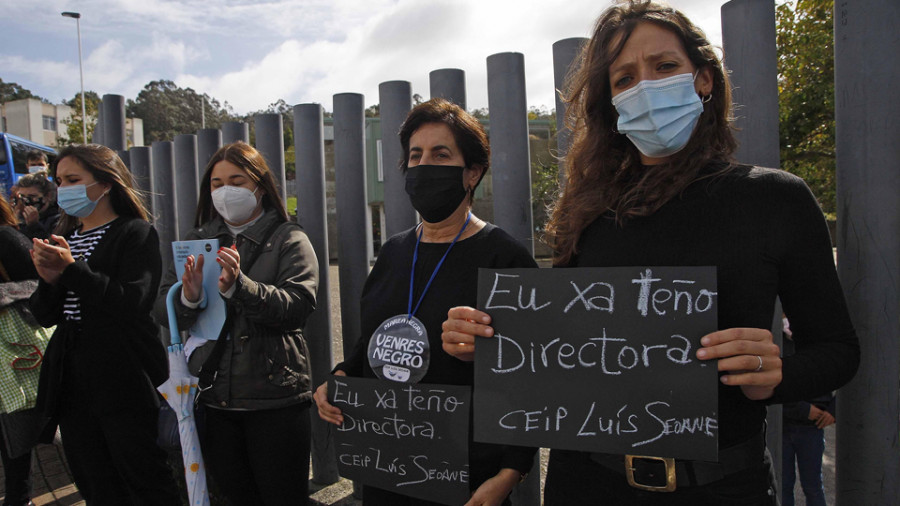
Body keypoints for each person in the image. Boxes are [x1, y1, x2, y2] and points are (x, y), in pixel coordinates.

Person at [441, 2, 859, 504]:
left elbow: (838, 350)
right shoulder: (584, 211)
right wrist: (484, 342)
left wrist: (778, 375)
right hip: (586, 485)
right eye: (624, 79)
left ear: (703, 79)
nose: (645, 88)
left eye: (664, 67)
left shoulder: (775, 199)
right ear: (611, 101)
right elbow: (558, 353)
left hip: (723, 488)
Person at [314, 98, 537, 506]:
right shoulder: (393, 253)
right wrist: (341, 377)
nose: (423, 166)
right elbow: (373, 345)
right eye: (415, 155)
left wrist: (510, 472)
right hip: (388, 470)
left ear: (472, 172)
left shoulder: (505, 259)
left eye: (440, 154)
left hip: (468, 481)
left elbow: (533, 375)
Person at [154, 141, 319, 506]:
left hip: (275, 397)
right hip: (214, 397)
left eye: (237, 181)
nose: (225, 191)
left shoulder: (289, 238)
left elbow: (298, 306)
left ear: (260, 186)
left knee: (282, 496)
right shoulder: (197, 240)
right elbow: (162, 310)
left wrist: (240, 287)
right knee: (233, 496)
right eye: (216, 183)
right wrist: (189, 297)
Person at [28, 144, 180, 505]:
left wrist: (72, 270)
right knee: (93, 478)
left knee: (143, 475)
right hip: (74, 380)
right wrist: (50, 279)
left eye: (74, 179)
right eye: (60, 180)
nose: (64, 188)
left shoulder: (135, 232)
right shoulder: (67, 236)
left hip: (124, 377)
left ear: (106, 183)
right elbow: (46, 314)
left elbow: (133, 302)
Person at [0, 194, 39, 506]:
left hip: (11, 347)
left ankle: (19, 497)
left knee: (13, 430)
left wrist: (1, 294)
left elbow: (42, 283)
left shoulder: (6, 236)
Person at [781, 318, 833, 506]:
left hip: (813, 425)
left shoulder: (820, 339)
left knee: (812, 486)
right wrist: (802, 409)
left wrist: (832, 410)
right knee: (783, 485)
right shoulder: (776, 339)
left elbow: (842, 372)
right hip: (783, 423)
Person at [13, 172, 60, 240]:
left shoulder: (57, 220)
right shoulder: (21, 216)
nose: (27, 200)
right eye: (23, 196)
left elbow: (49, 243)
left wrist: (34, 225)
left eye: (32, 196)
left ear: (48, 196)